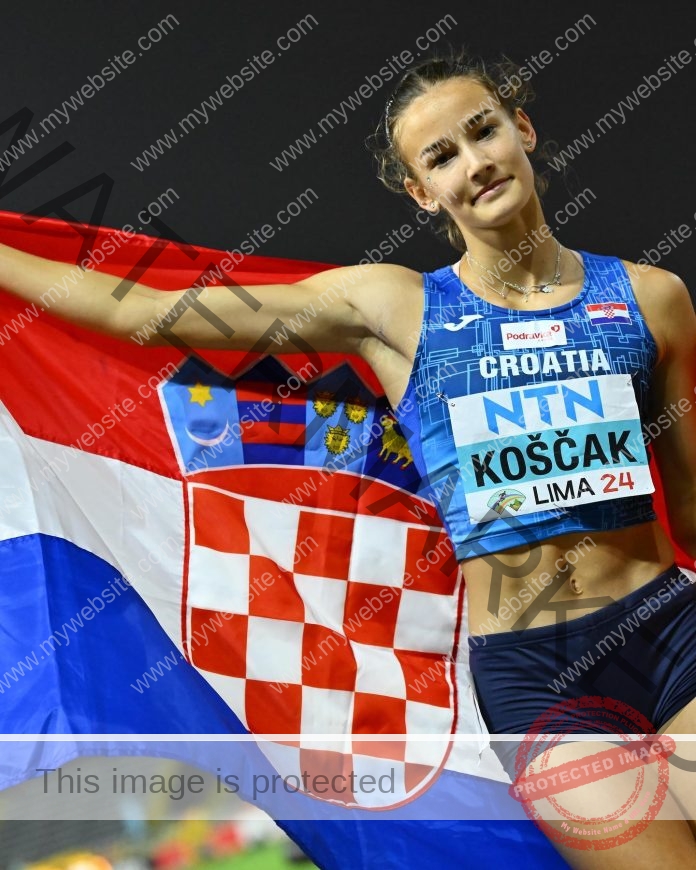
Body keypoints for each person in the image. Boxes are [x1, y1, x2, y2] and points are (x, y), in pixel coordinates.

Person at [1, 48, 695, 867]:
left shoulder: (651, 298)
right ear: (421, 191)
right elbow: (152, 314)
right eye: (441, 157)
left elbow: (687, 502)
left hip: (673, 632)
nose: (473, 164)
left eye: (484, 132)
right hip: (544, 686)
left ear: (524, 130)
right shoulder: (396, 306)